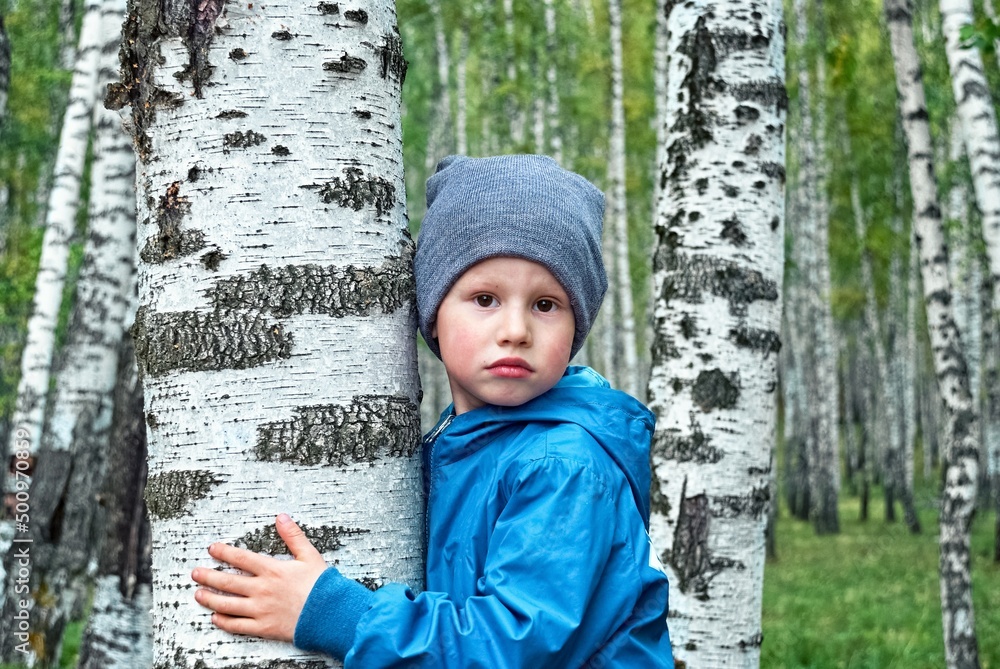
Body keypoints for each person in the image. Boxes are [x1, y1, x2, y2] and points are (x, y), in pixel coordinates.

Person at [191, 154, 674, 667]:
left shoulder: (563, 465)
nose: (516, 330)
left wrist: (336, 614)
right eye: (485, 298)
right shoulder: (462, 444)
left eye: (546, 305)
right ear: (433, 311)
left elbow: (513, 645)